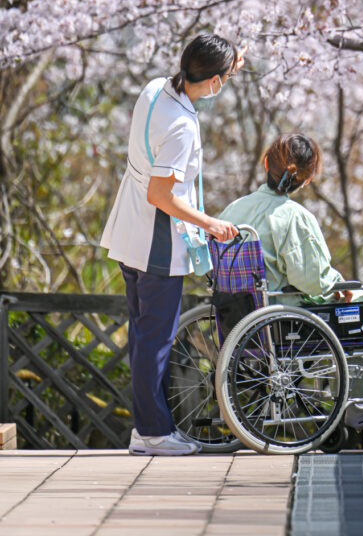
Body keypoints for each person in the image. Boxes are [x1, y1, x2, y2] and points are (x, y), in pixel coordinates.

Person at [218, 132, 363, 428]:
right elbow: (313, 280)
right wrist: (336, 285)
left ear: (266, 163)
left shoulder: (233, 211)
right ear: (306, 180)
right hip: (286, 320)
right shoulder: (293, 216)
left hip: (241, 319)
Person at [101, 34, 244, 455]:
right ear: (214, 82)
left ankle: (148, 429)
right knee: (155, 339)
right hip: (155, 244)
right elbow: (161, 197)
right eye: (228, 77)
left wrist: (230, 59)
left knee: (145, 334)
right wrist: (211, 224)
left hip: (129, 231)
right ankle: (154, 433)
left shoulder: (154, 90)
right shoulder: (181, 126)